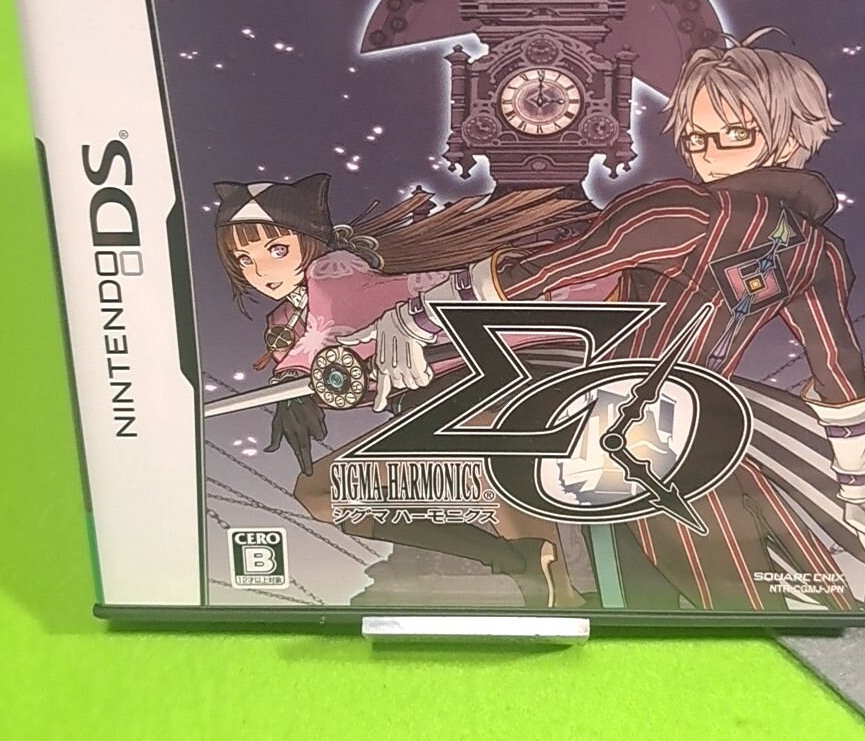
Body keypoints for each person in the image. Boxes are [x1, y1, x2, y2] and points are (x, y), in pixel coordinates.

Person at [349, 29, 865, 611]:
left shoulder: (684, 209)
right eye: (696, 136)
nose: (708, 154)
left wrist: (419, 317)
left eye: (734, 134)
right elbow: (840, 378)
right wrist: (858, 484)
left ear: (792, 133)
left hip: (622, 439)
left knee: (679, 599)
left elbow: (541, 272)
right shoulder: (818, 251)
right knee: (751, 601)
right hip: (709, 441)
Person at [214, 174, 595, 607]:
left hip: (505, 375)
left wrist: (294, 383)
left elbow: (329, 327)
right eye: (244, 259)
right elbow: (313, 354)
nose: (261, 271)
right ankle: (511, 560)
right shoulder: (286, 319)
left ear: (311, 241)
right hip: (434, 408)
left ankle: (546, 582)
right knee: (319, 493)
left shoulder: (333, 274)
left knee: (485, 453)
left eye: (277, 250)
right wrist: (291, 387)